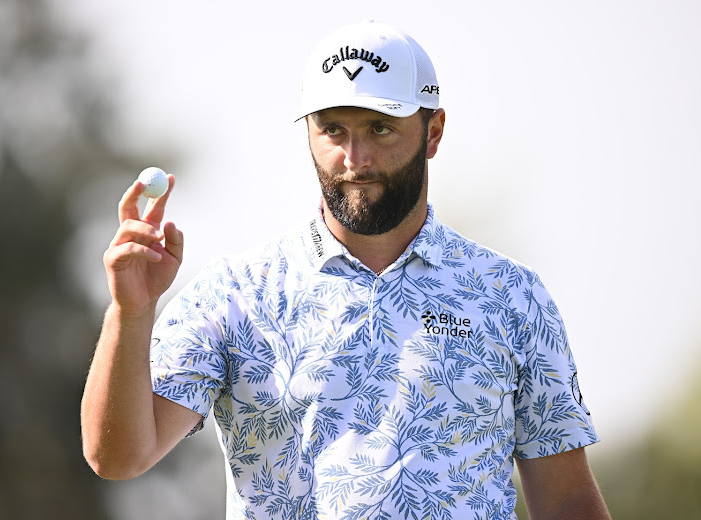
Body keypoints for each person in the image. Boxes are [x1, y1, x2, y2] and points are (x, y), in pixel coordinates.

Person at [81, 21, 611, 520]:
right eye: (333, 130)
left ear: (434, 132)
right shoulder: (234, 294)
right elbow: (119, 456)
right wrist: (131, 312)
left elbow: (566, 501)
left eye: (381, 128)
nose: (355, 157)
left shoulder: (511, 296)